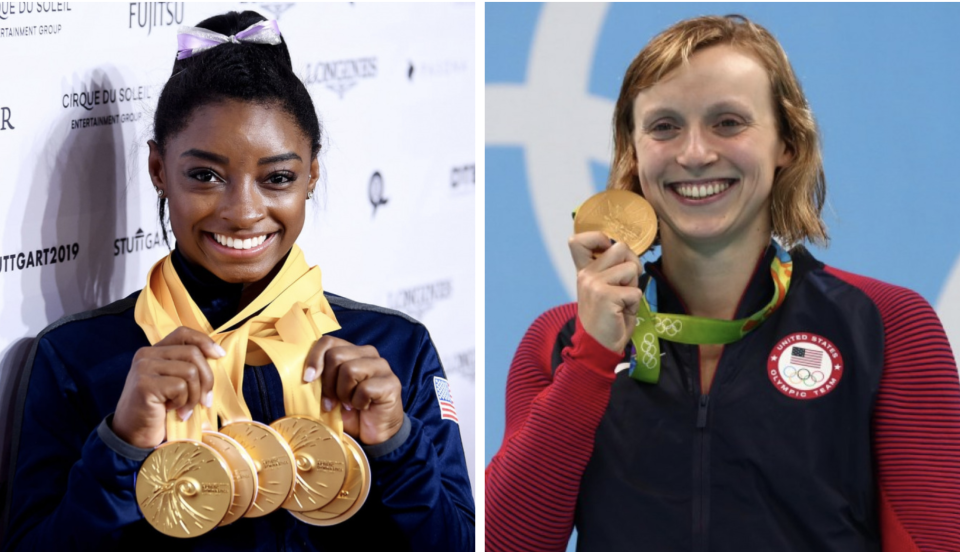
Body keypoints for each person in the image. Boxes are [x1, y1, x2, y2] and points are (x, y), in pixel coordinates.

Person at [486, 14, 960, 552]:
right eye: (664, 126)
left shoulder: (884, 324)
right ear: (633, 152)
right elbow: (508, 543)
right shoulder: (559, 340)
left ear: (788, 142)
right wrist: (592, 356)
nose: (694, 153)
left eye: (728, 122)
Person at [2, 11, 473, 551]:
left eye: (277, 178)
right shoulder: (76, 357)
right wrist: (122, 444)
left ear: (311, 175)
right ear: (158, 169)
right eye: (205, 176)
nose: (243, 212)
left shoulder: (395, 348)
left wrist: (395, 444)